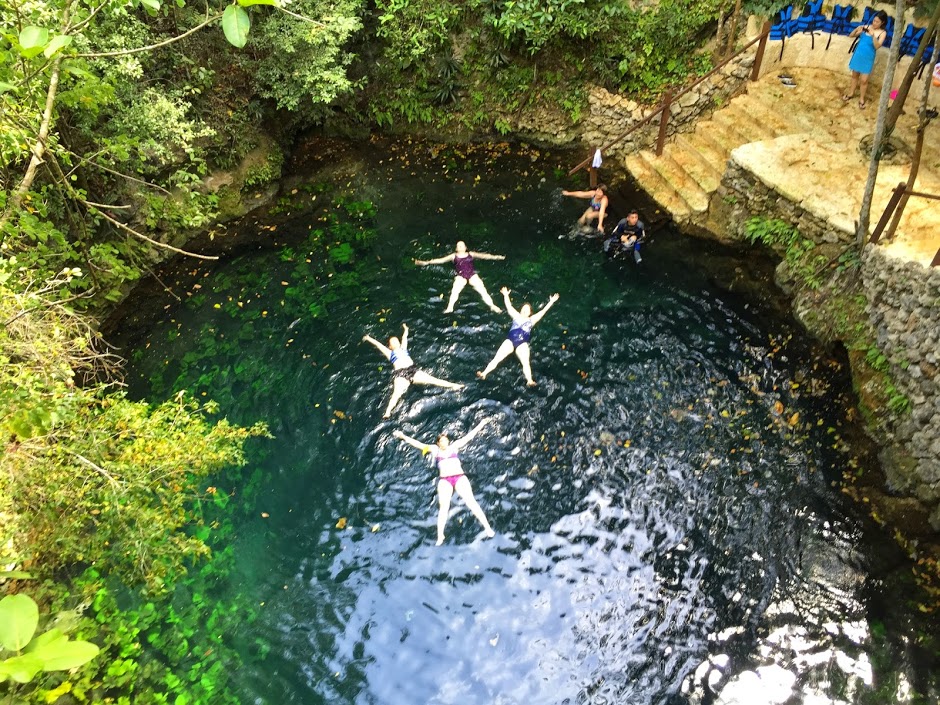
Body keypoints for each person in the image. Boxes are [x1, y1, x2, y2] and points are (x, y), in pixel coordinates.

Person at [393, 420, 497, 545]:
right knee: (444, 507)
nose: (444, 443)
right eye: (441, 441)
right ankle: (440, 535)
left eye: (445, 440)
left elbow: (469, 436)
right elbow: (418, 444)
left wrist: (482, 424)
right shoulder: (434, 450)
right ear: (438, 443)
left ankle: (487, 527)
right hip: (444, 480)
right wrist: (403, 436)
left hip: (459, 477)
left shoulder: (454, 446)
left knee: (471, 502)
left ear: (448, 441)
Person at [363, 324, 463, 418]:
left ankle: (453, 385)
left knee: (433, 380)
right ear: (389, 346)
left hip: (413, 370)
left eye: (396, 340)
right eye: (392, 342)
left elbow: (404, 337)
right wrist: (368, 338)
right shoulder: (390, 353)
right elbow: (379, 345)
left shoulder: (403, 348)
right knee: (396, 394)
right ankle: (388, 412)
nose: (395, 342)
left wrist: (406, 329)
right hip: (400, 374)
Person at [477, 288, 560, 387]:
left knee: (526, 363)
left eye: (527, 310)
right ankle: (484, 373)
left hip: (522, 344)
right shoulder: (516, 316)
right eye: (523, 309)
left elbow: (543, 311)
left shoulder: (532, 320)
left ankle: (529, 380)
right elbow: (509, 306)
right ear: (520, 310)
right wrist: (506, 295)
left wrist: (551, 301)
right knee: (497, 358)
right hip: (510, 341)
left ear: (530, 313)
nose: (524, 310)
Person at [414, 241, 505, 313]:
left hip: (472, 275)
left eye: (462, 245)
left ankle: (492, 306)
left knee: (483, 290)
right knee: (455, 291)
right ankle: (450, 307)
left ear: (465, 248)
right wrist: (426, 262)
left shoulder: (471, 254)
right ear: (456, 249)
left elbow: (484, 256)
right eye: (459, 246)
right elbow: (441, 260)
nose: (460, 246)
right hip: (461, 276)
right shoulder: (453, 256)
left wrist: (497, 257)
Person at [843, 10, 888, 109]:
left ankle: (862, 99)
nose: (874, 23)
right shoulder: (866, 27)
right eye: (874, 20)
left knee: (864, 80)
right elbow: (851, 35)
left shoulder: (882, 33)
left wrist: (873, 36)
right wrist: (857, 29)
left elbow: (877, 46)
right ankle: (851, 93)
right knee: (854, 76)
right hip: (858, 54)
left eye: (877, 22)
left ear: (882, 23)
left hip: (868, 57)